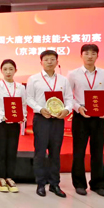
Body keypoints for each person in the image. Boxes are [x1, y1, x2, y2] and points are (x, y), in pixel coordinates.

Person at [68, 44, 104, 197]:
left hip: (99, 117)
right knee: (79, 151)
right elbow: (68, 95)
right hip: (81, 116)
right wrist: (77, 107)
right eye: (86, 53)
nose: (90, 56)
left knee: (98, 152)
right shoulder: (73, 74)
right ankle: (79, 184)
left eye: (93, 53)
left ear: (97, 56)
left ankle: (98, 184)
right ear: (81, 55)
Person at [26, 50, 73, 198]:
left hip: (58, 120)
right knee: (40, 152)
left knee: (55, 152)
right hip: (41, 119)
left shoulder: (63, 80)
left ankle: (54, 184)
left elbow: (69, 99)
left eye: (52, 59)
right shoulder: (34, 79)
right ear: (41, 62)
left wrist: (66, 110)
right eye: (46, 59)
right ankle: (40, 184)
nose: (49, 62)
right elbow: (29, 98)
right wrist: (40, 109)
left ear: (57, 62)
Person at [0, 59, 26, 193]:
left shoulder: (20, 87)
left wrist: (23, 116)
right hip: (1, 122)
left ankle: (10, 177)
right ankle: (1, 178)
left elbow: (23, 104)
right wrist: (2, 114)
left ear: (15, 70)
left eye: (11, 69)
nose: (8, 72)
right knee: (1, 149)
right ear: (1, 71)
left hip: (15, 123)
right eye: (5, 69)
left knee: (12, 149)